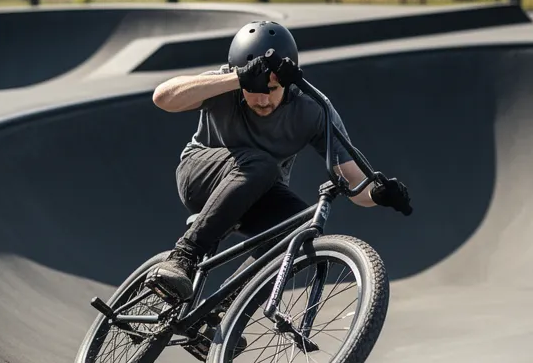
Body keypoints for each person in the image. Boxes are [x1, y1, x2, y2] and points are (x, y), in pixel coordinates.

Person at [145, 20, 412, 304]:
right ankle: (182, 257)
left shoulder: (311, 109)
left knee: (302, 227)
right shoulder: (226, 84)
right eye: (254, 89)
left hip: (256, 194)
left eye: (271, 89)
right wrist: (238, 79)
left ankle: (225, 310)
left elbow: (352, 181)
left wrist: (377, 194)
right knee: (262, 165)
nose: (262, 99)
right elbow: (163, 98)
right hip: (199, 177)